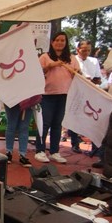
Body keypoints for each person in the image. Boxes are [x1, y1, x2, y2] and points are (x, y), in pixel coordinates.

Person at [34, 31, 80, 164]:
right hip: (47, 95)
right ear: (52, 42)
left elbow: (77, 74)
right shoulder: (45, 57)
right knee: (45, 123)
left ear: (66, 43)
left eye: (63, 40)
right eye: (57, 40)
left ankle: (54, 151)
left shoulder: (71, 58)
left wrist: (78, 72)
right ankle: (40, 150)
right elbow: (36, 72)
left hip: (65, 95)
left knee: (57, 124)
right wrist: (50, 66)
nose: (60, 43)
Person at [69, 40, 102, 154]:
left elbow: (98, 78)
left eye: (88, 50)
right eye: (84, 50)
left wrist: (92, 81)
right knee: (74, 117)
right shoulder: (72, 59)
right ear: (78, 50)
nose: (86, 52)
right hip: (76, 91)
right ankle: (75, 144)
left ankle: (94, 148)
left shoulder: (94, 61)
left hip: (90, 91)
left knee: (92, 118)